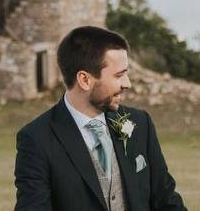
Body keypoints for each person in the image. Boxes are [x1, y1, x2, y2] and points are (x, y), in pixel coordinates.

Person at [14, 25, 187, 211]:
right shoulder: (36, 139)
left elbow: (167, 201)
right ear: (85, 80)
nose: (127, 84)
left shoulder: (140, 124)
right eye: (119, 75)